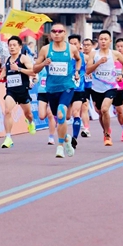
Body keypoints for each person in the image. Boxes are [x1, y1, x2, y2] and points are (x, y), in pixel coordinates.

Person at [33, 22, 82, 158]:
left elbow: (78, 60)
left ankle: (60, 147)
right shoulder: (45, 49)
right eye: (54, 31)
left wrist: (77, 71)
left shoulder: (71, 49)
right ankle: (66, 138)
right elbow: (34, 69)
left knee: (61, 113)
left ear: (64, 33)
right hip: (51, 89)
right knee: (59, 118)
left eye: (60, 31)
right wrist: (44, 63)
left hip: (67, 86)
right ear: (51, 34)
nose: (57, 33)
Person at [86, 30, 123, 146]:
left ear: (110, 41)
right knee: (100, 113)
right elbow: (88, 70)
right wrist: (98, 62)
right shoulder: (93, 54)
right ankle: (105, 130)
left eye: (106, 39)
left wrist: (121, 75)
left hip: (111, 86)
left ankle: (107, 135)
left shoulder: (114, 54)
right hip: (96, 88)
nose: (103, 41)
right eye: (101, 39)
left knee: (105, 109)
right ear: (98, 41)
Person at [0, 36, 37, 149]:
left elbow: (33, 71)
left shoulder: (23, 58)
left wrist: (18, 69)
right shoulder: (8, 59)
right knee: (7, 111)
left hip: (23, 91)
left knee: (28, 114)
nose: (12, 47)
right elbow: (5, 70)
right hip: (11, 91)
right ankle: (8, 138)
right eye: (10, 45)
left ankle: (30, 122)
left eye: (14, 45)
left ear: (19, 46)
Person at [68, 34, 87, 142]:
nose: (73, 46)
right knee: (66, 116)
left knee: (76, 112)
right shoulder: (64, 57)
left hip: (79, 88)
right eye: (71, 44)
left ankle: (74, 137)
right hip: (66, 88)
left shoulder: (84, 56)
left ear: (80, 44)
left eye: (75, 43)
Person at [36, 65, 57, 145]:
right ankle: (56, 118)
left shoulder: (55, 65)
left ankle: (51, 137)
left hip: (52, 91)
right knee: (41, 116)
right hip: (42, 92)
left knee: (50, 114)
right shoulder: (41, 65)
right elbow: (35, 72)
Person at [80, 38, 94, 138]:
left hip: (96, 85)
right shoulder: (79, 57)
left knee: (99, 109)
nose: (86, 46)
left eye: (88, 45)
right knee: (84, 106)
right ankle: (86, 128)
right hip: (84, 85)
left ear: (92, 46)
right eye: (84, 45)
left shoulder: (96, 56)